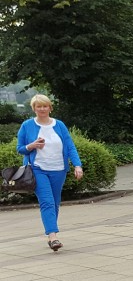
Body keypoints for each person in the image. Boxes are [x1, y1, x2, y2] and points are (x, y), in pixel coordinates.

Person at [15, 94, 83, 252]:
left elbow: (70, 146)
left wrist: (77, 165)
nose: (42, 109)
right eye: (38, 106)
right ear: (34, 109)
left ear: (50, 108)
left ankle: (51, 232)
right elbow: (20, 148)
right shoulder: (27, 125)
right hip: (37, 169)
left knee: (55, 203)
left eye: (45, 106)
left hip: (59, 169)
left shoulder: (59, 125)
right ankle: (53, 237)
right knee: (47, 202)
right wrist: (31, 146)